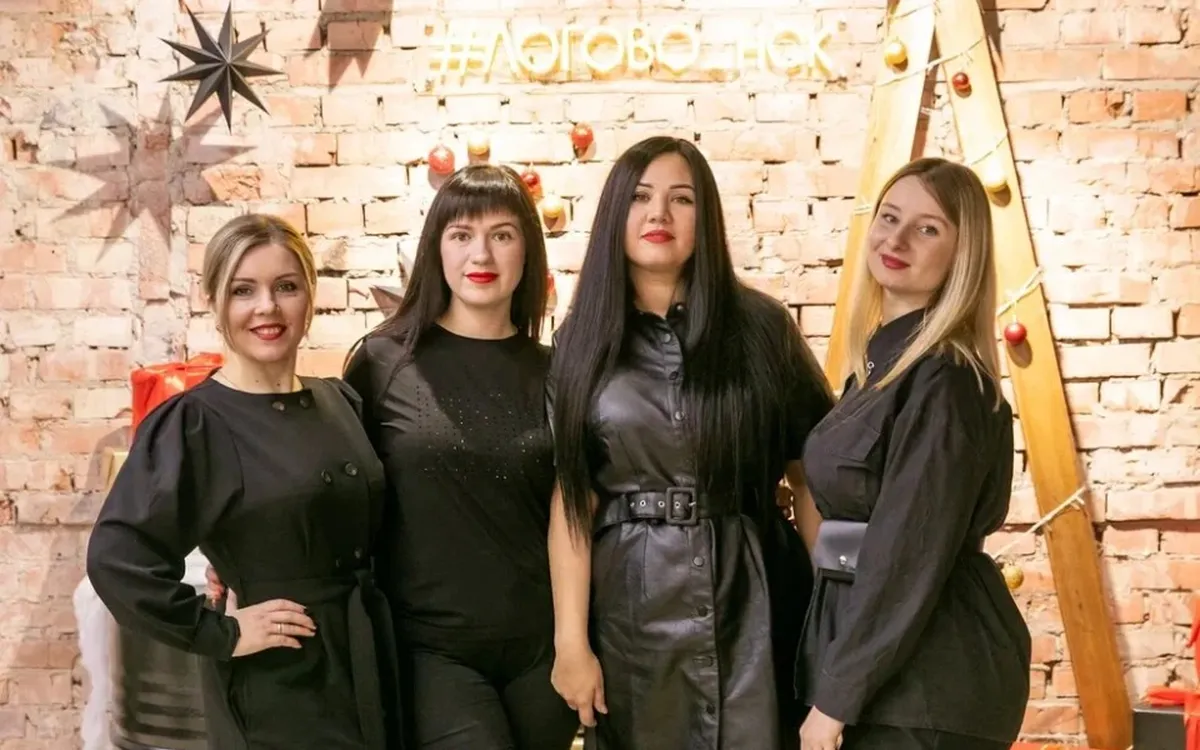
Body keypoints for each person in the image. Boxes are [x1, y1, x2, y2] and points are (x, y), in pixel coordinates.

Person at [546, 135, 833, 750]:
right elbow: (573, 500)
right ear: (615, 213)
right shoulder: (581, 342)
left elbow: (811, 475)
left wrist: (834, 610)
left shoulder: (762, 328)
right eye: (640, 197)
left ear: (706, 218)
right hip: (633, 606)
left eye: (682, 199)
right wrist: (570, 643)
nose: (659, 214)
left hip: (757, 594)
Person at [86, 214, 400, 750]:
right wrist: (222, 633)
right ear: (214, 302)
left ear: (309, 296)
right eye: (243, 290)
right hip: (278, 682)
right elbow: (118, 560)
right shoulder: (196, 422)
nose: (267, 307)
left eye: (286, 287)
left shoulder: (340, 400)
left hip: (368, 661)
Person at [324, 164, 581, 749]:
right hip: (430, 651)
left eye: (502, 234)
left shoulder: (559, 373)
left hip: (541, 652)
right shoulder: (383, 363)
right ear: (436, 248)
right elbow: (334, 488)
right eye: (461, 234)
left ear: (527, 251)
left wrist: (574, 643)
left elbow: (575, 512)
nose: (480, 253)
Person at [796, 157, 1032, 750]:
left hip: (928, 682)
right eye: (889, 217)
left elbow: (909, 550)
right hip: (885, 671)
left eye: (927, 228)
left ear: (962, 254)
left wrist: (835, 701)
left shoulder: (945, 379)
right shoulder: (881, 368)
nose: (896, 239)